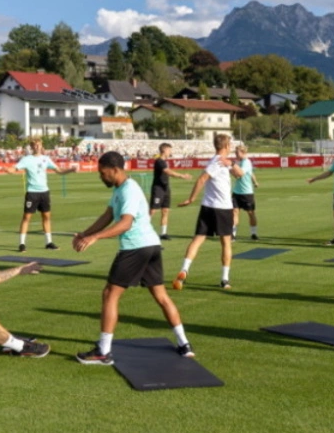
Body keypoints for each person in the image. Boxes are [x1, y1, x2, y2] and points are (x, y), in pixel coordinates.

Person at [74, 152, 194, 364]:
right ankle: (184, 344)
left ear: (115, 170)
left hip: (136, 248)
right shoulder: (121, 188)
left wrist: (95, 238)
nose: (100, 176)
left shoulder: (129, 190)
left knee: (110, 294)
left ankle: (103, 351)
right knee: (161, 296)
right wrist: (85, 233)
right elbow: (108, 215)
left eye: (102, 173)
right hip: (151, 246)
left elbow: (125, 224)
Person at [172, 133, 243, 290]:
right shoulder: (216, 162)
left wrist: (230, 163)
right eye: (229, 145)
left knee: (198, 239)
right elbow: (202, 179)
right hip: (222, 208)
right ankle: (224, 279)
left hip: (208, 207)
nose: (231, 147)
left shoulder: (224, 162)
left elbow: (240, 174)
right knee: (225, 243)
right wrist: (191, 199)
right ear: (226, 146)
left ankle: (184, 269)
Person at [4, 138, 77, 252]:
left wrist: (71, 170)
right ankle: (22, 244)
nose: (37, 147)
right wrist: (9, 170)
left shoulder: (46, 159)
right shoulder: (27, 159)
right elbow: (15, 168)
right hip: (32, 192)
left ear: (41, 146)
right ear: (31, 147)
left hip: (44, 192)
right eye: (35, 145)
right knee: (26, 218)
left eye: (38, 145)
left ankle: (48, 242)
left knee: (46, 217)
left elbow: (58, 171)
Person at [148, 142, 191, 240]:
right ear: (164, 150)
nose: (170, 152)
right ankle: (142, 230)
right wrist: (182, 176)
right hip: (158, 189)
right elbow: (168, 172)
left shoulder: (164, 161)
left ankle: (163, 233)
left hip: (166, 188)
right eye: (169, 150)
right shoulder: (159, 161)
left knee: (165, 210)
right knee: (153, 211)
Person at [231, 145, 261, 241]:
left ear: (243, 153)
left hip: (246, 193)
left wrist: (229, 168)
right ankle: (233, 235)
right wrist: (255, 182)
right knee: (234, 212)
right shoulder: (239, 162)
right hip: (236, 192)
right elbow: (251, 173)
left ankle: (253, 233)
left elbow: (239, 175)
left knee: (251, 213)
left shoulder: (246, 162)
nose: (235, 154)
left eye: (237, 153)